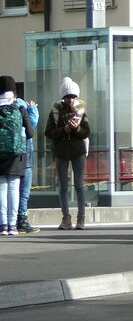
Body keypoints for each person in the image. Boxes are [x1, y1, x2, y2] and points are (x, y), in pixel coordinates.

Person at [45, 77, 90, 231]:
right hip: (61, 152)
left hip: (78, 151)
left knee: (79, 185)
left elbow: (86, 132)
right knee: (63, 187)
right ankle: (66, 217)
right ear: (63, 97)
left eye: (73, 96)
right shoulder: (55, 112)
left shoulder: (81, 111)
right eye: (68, 96)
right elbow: (48, 132)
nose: (71, 99)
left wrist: (76, 128)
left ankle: (81, 217)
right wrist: (64, 130)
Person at [0, 76, 33, 237]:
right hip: (16, 154)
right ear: (13, 90)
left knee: (2, 188)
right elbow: (30, 133)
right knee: (13, 188)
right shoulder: (19, 108)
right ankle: (13, 226)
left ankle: (3, 225)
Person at [14, 90, 39, 234]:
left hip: (9, 156)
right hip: (26, 156)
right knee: (24, 191)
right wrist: (33, 109)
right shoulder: (21, 104)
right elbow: (32, 123)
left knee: (9, 189)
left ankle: (7, 221)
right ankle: (22, 220)